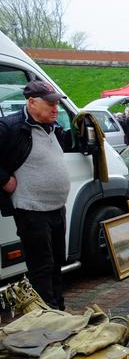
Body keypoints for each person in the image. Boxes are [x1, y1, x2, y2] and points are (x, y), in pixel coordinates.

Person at [0, 80, 72, 310]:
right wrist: (4, 181)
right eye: (50, 104)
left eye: (57, 104)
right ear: (31, 102)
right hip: (31, 210)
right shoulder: (10, 126)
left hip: (56, 208)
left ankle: (59, 311)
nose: (56, 109)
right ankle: (48, 321)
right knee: (42, 268)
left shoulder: (54, 127)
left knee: (57, 264)